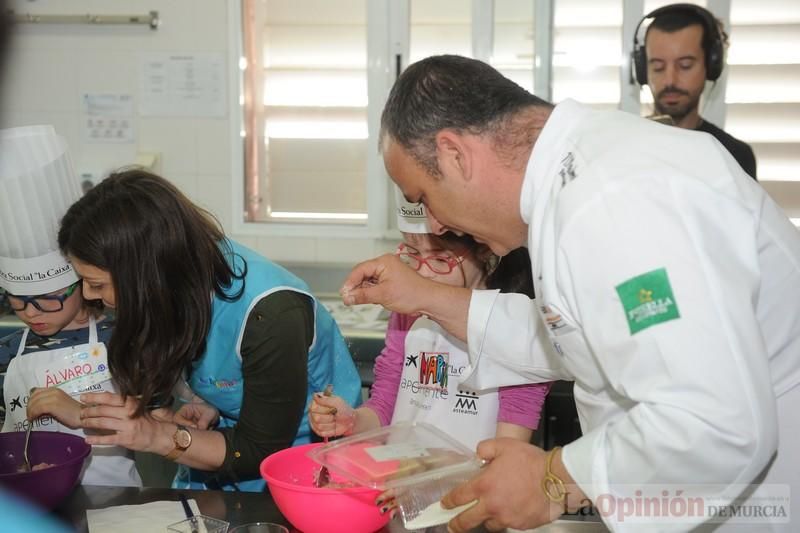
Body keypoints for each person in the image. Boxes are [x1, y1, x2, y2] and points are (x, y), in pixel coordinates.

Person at [340, 55, 800, 532]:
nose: (434, 224)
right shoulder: (579, 182)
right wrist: (426, 296)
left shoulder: (616, 200)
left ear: (455, 154)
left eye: (423, 198)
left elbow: (712, 422)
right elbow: (573, 334)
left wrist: (553, 478)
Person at [58, 169, 362, 492]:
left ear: (143, 274)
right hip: (224, 461)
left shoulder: (271, 315)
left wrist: (155, 435)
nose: (89, 296)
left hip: (306, 471)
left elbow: (260, 449)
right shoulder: (176, 280)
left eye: (95, 284)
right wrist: (209, 407)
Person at [309, 193, 550, 455]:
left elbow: (508, 452)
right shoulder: (407, 313)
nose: (422, 273)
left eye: (439, 260)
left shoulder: (513, 325)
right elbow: (384, 408)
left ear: (483, 248)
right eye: (412, 255)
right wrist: (352, 421)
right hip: (402, 478)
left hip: (473, 487)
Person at [0, 125, 141, 487]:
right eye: (17, 302)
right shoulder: (8, 352)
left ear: (84, 282)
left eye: (47, 300)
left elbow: (154, 416)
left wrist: (80, 412)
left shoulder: (123, 339)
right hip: (31, 496)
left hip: (115, 499)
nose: (31, 313)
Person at [632, 3, 757, 179]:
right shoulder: (623, 145)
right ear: (643, 69)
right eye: (658, 67)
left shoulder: (734, 156)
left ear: (711, 65)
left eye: (685, 66)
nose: (670, 80)